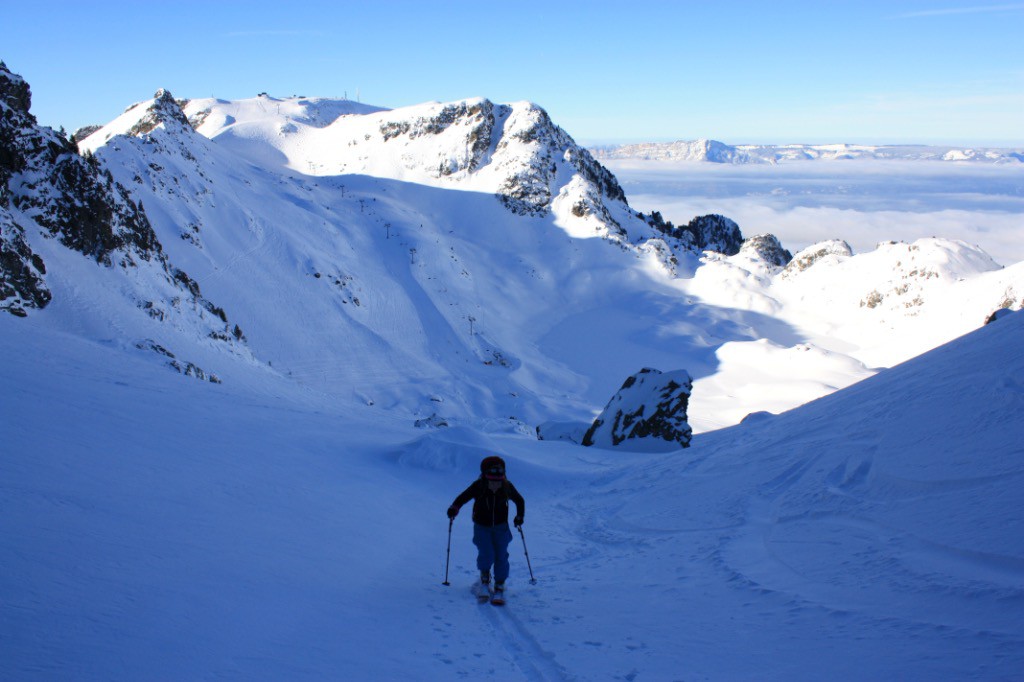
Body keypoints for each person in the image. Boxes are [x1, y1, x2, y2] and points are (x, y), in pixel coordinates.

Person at [447, 455, 525, 597]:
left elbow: (519, 500)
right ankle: (485, 576)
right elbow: (463, 497)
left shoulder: (507, 486)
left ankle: (500, 583)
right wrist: (454, 508)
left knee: (501, 555)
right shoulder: (479, 486)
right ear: (485, 475)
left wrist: (519, 516)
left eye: (498, 481)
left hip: (501, 527)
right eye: (492, 481)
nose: (495, 485)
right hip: (481, 527)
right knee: (487, 553)